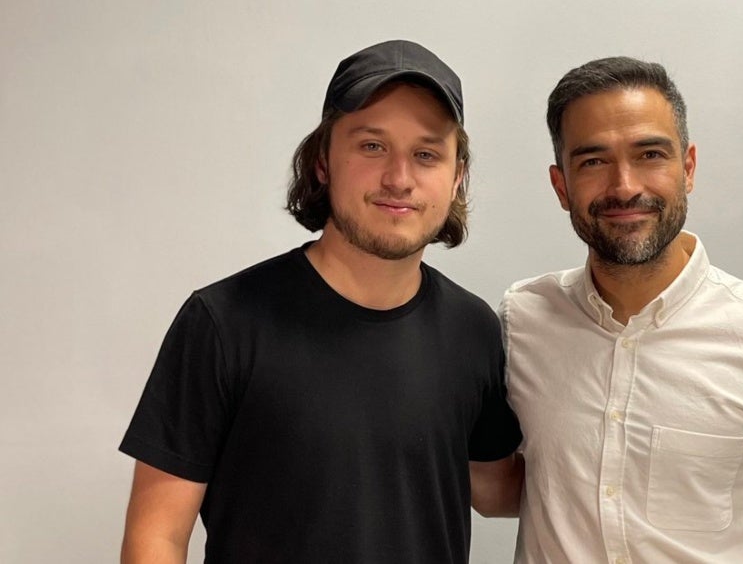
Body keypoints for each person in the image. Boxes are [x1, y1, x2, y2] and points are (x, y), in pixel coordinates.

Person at [119, 39, 523, 564]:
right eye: (372, 146)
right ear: (322, 163)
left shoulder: (474, 330)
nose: (399, 179)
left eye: (426, 154)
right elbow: (156, 539)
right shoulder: (224, 322)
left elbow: (495, 491)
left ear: (456, 176)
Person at [500, 57, 743, 563]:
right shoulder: (521, 322)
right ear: (561, 186)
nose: (624, 185)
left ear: (688, 168)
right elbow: (496, 485)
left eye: (650, 154)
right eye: (593, 161)